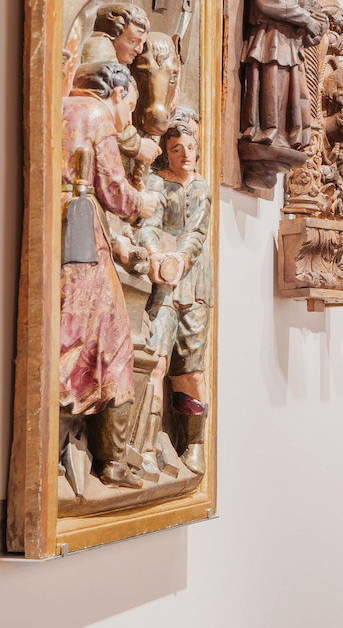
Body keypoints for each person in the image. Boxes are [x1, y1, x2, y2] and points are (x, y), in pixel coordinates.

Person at [61, 61, 157, 489]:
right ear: (117, 93)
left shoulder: (62, 107)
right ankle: (111, 461)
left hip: (59, 231)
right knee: (114, 338)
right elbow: (114, 189)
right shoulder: (96, 114)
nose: (128, 117)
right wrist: (142, 204)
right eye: (131, 106)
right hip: (81, 237)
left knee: (68, 330)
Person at [138, 114, 213, 476]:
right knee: (155, 361)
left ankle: (194, 443)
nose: (184, 154)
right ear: (166, 152)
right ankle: (146, 442)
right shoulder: (156, 183)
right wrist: (156, 255)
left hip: (194, 284)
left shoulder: (201, 188)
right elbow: (148, 224)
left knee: (192, 371)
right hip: (162, 284)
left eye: (190, 148)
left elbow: (197, 232)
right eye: (176, 148)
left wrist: (181, 259)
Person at [240, 0, 325, 149]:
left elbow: (294, 22)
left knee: (292, 94)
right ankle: (268, 131)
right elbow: (273, 5)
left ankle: (288, 134)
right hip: (271, 43)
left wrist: (312, 32)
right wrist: (306, 19)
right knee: (271, 87)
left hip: (288, 45)